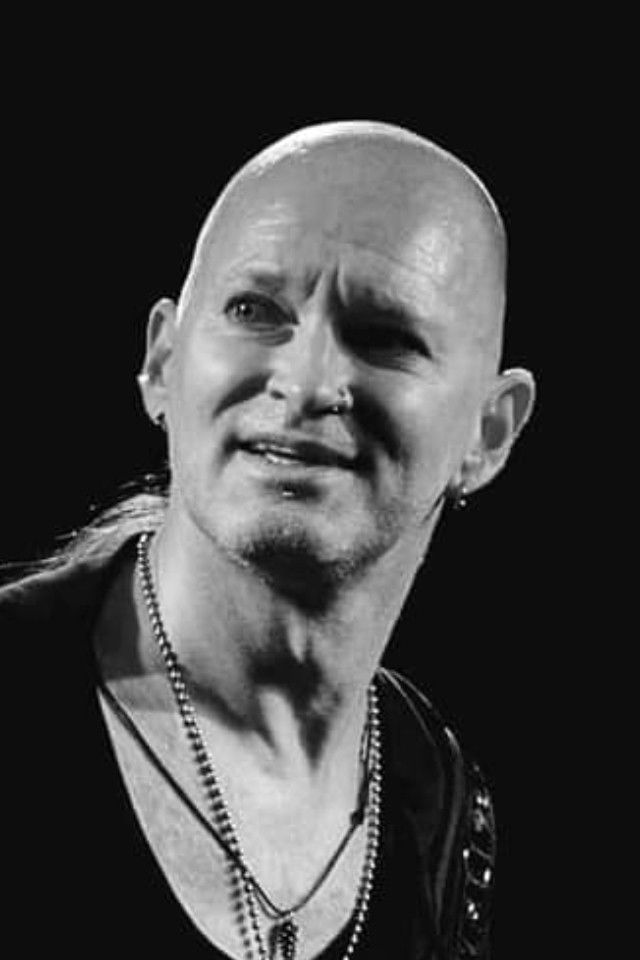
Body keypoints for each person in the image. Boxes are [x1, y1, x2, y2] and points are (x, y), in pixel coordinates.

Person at [1, 121, 535, 959]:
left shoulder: (436, 793)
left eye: (386, 337)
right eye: (255, 311)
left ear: (488, 432)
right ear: (162, 362)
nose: (308, 381)